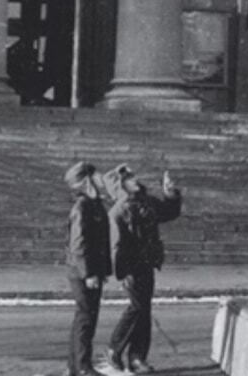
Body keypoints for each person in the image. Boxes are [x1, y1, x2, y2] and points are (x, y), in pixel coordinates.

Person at [104, 164, 182, 374]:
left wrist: (170, 193)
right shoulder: (119, 210)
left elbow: (169, 212)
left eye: (133, 176)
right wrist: (123, 272)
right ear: (121, 184)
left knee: (144, 310)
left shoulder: (145, 201)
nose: (135, 180)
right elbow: (115, 245)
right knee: (137, 308)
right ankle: (114, 348)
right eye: (129, 178)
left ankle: (137, 358)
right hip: (131, 267)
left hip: (146, 263)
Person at [64, 161, 111, 376]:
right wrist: (89, 273)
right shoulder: (82, 206)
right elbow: (79, 244)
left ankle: (75, 366)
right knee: (86, 318)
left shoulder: (95, 204)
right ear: (87, 180)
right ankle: (82, 367)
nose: (102, 178)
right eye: (97, 174)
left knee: (84, 317)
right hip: (82, 272)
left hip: (90, 270)